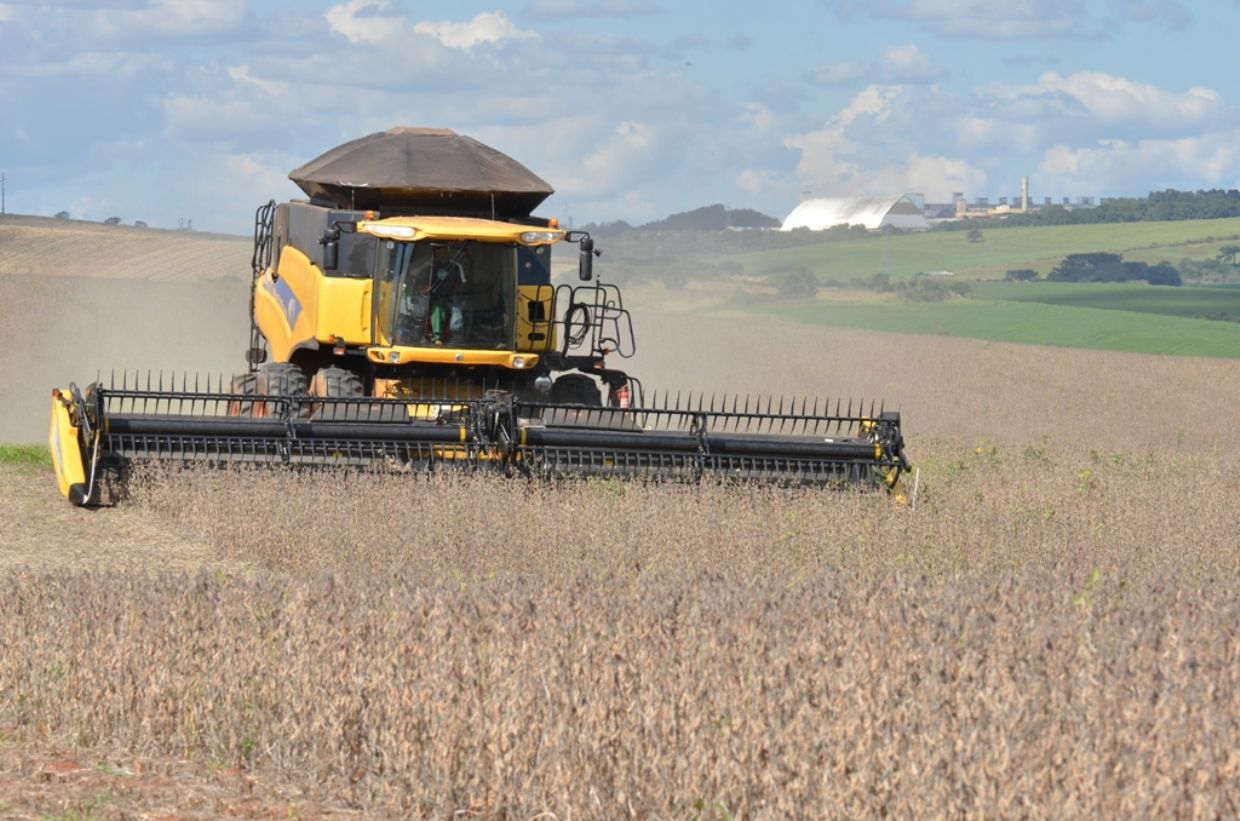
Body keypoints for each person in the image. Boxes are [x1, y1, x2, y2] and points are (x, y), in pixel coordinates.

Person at [422, 244, 471, 345]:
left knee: (468, 310)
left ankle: (464, 339)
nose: (440, 254)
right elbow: (421, 284)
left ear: (447, 251)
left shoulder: (456, 266)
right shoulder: (430, 267)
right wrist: (427, 288)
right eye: (437, 252)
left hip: (453, 298)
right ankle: (437, 337)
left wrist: (454, 289)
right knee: (438, 308)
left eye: (442, 251)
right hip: (436, 298)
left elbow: (463, 284)